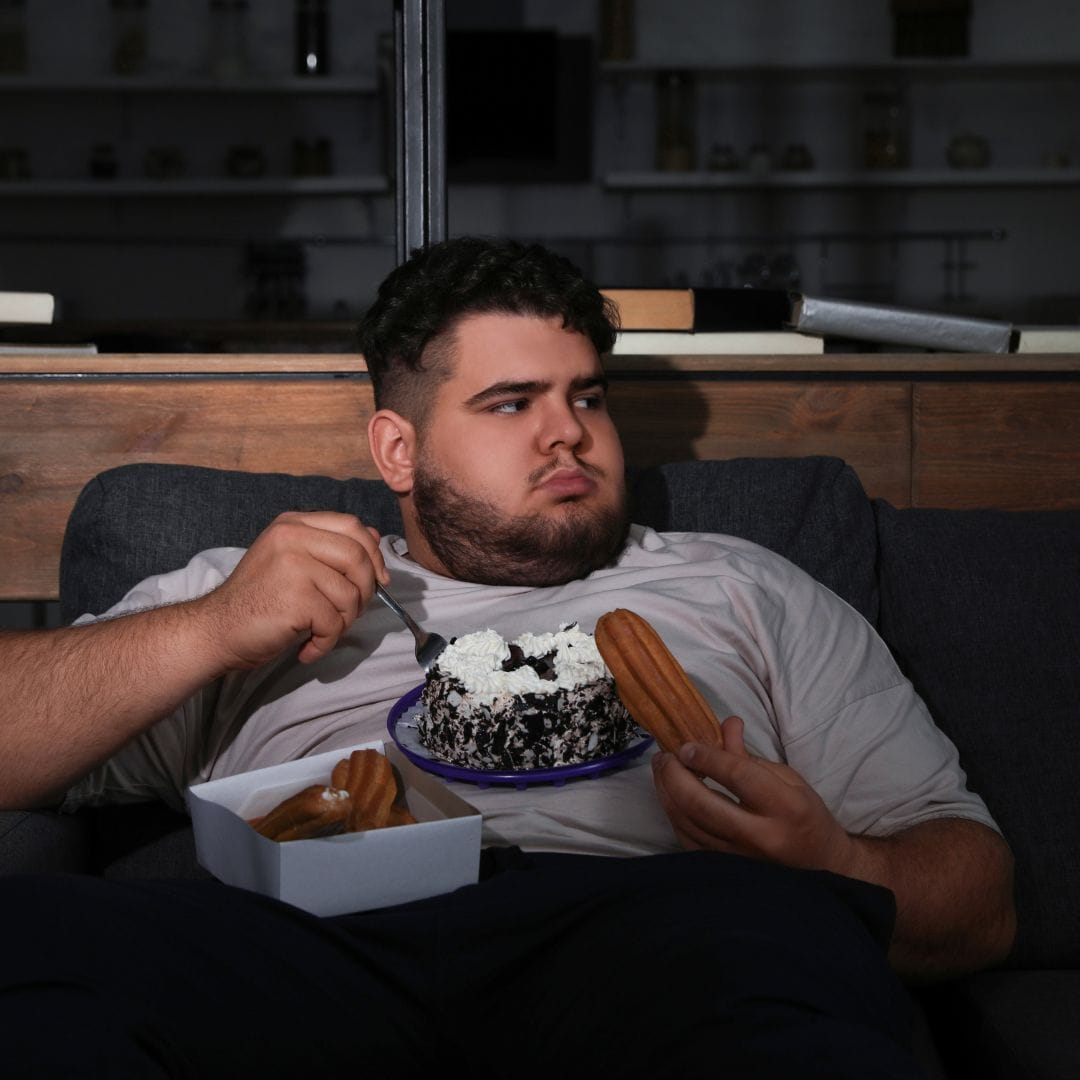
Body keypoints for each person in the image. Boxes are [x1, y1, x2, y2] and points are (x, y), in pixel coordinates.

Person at [0, 237, 1013, 1078]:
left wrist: (833, 864)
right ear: (397, 450)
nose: (568, 432)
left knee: (792, 985)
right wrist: (210, 628)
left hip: (659, 939)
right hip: (317, 945)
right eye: (512, 401)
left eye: (589, 396)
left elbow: (979, 901)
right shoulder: (261, 586)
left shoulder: (746, 586)